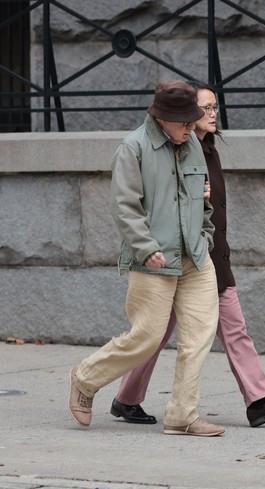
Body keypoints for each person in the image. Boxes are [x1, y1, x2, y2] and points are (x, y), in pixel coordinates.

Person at [110, 81, 265, 428]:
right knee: (153, 335)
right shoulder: (170, 150)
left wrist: (212, 242)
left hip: (211, 258)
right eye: (205, 108)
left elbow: (211, 213)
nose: (212, 114)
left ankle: (258, 399)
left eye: (215, 107)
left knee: (234, 328)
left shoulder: (207, 150)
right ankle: (124, 397)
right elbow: (154, 202)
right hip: (175, 258)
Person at [69, 80, 225, 437]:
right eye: (185, 122)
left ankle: (182, 415)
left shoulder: (192, 144)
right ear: (163, 118)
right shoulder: (133, 147)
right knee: (147, 336)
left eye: (193, 120)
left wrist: (205, 235)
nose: (191, 127)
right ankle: (85, 378)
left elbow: (202, 197)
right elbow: (125, 207)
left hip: (196, 256)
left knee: (199, 336)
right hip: (153, 259)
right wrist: (146, 247)